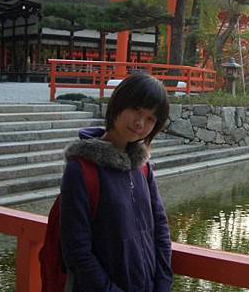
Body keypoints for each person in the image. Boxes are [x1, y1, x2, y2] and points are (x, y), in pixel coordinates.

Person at [60, 73, 173, 292]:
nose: (140, 123)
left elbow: (160, 230)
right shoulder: (81, 170)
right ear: (119, 103)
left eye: (150, 118)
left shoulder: (142, 168)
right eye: (136, 110)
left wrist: (163, 284)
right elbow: (76, 250)